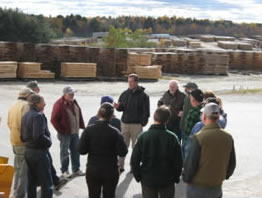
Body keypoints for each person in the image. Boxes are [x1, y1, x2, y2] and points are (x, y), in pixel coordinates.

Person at [183, 103, 236, 198]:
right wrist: (223, 177)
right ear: (218, 117)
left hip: (197, 187)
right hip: (216, 186)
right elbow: (232, 164)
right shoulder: (228, 137)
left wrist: (186, 179)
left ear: (204, 117)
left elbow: (191, 163)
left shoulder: (199, 137)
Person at [131, 106, 183, 198]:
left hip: (148, 179)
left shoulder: (143, 137)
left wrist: (138, 176)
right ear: (167, 120)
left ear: (154, 117)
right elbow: (178, 161)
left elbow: (134, 160)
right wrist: (176, 177)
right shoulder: (172, 137)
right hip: (167, 178)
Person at [78, 103, 128, 198]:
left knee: (93, 194)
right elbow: (123, 152)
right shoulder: (115, 132)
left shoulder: (88, 130)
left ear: (99, 114)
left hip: (93, 168)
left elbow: (81, 150)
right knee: (109, 194)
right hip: (110, 169)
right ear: (111, 116)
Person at [26, 80, 67, 190]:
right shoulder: (35, 113)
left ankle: (55, 180)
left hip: (31, 146)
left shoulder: (30, 109)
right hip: (37, 147)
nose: (38, 89)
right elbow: (37, 135)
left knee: (44, 167)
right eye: (36, 88)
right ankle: (52, 182)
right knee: (44, 175)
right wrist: (47, 141)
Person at [114, 73, 150, 172]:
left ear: (136, 82)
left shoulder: (144, 96)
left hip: (137, 125)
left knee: (136, 148)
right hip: (125, 124)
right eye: (128, 81)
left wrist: (142, 123)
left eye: (131, 82)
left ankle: (133, 167)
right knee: (123, 147)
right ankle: (120, 166)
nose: (129, 83)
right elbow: (121, 108)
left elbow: (146, 112)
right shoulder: (124, 94)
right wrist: (118, 107)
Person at [21, 94, 53, 198]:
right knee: (46, 182)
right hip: (39, 152)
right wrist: (49, 142)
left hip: (28, 151)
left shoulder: (26, 115)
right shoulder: (38, 116)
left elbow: (22, 135)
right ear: (37, 103)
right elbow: (38, 136)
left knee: (32, 181)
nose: (45, 104)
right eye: (43, 102)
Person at [51, 86, 85, 178]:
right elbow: (53, 120)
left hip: (75, 132)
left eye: (73, 93)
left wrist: (81, 125)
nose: (72, 95)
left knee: (76, 151)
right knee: (65, 153)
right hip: (65, 134)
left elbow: (79, 114)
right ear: (65, 94)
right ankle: (65, 171)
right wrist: (61, 131)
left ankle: (76, 169)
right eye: (70, 94)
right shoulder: (59, 104)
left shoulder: (74, 102)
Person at [7, 88, 34, 198]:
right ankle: (19, 194)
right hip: (23, 142)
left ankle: (15, 191)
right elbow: (28, 125)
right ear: (28, 96)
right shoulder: (26, 106)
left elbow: (9, 123)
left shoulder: (13, 105)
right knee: (24, 172)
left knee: (17, 169)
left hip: (14, 140)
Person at [182, 88, 203, 157]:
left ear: (193, 100)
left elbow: (188, 131)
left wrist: (185, 146)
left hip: (191, 145)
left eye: (190, 98)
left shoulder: (193, 112)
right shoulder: (204, 110)